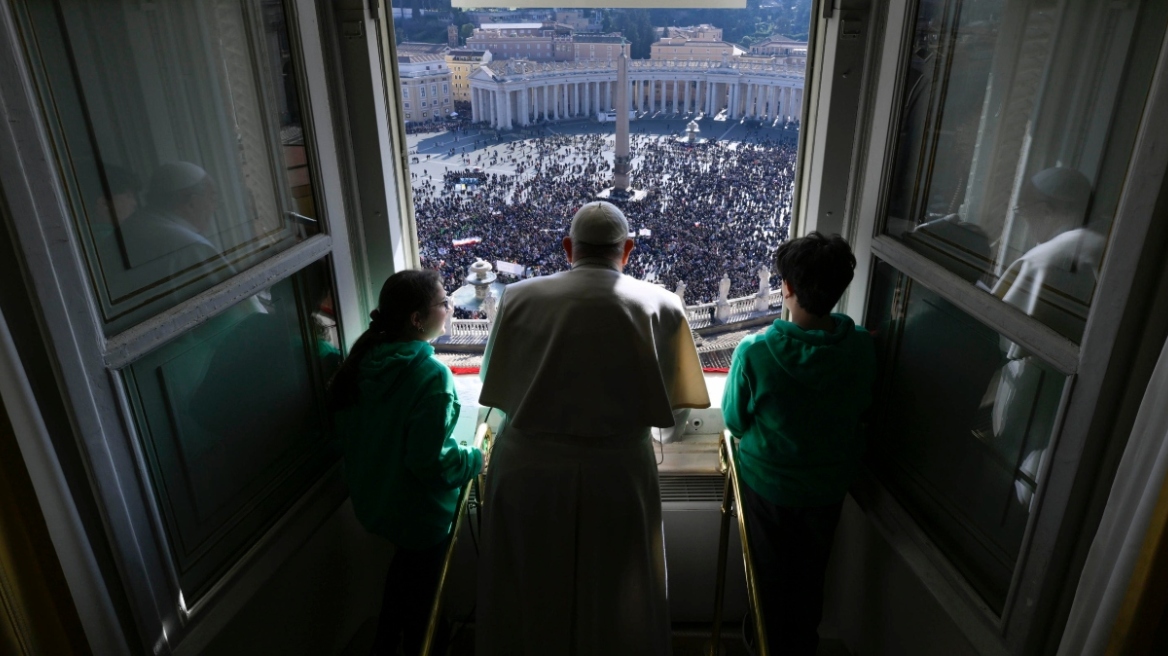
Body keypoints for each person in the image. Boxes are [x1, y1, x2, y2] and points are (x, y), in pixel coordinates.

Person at [475, 201, 710, 655]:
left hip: (528, 469)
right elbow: (673, 422)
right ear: (629, 250)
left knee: (527, 591)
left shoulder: (518, 297)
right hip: (617, 473)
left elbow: (495, 384)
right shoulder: (662, 303)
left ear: (568, 248)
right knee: (618, 599)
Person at [721, 232, 876, 655]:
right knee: (810, 577)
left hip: (767, 485)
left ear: (786, 288)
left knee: (768, 579)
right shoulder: (862, 347)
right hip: (828, 487)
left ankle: (764, 646)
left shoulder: (754, 352)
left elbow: (734, 420)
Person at [328, 269, 483, 656]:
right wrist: (473, 460)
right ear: (417, 319)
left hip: (376, 500)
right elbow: (429, 462)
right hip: (419, 513)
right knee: (426, 606)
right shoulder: (431, 376)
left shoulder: (363, 361)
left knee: (403, 580)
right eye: (444, 301)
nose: (450, 308)